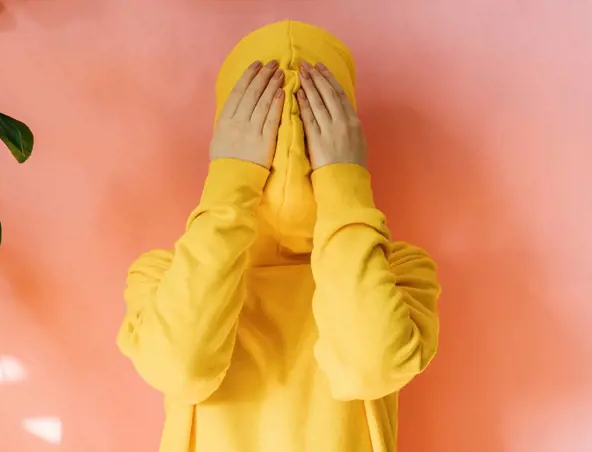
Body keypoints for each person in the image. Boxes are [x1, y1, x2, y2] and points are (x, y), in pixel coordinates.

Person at [117, 20, 440, 452]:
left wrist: (342, 182)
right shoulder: (163, 275)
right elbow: (181, 367)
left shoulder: (399, 270)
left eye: (316, 129)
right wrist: (232, 179)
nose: (289, 154)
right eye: (258, 129)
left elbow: (369, 366)